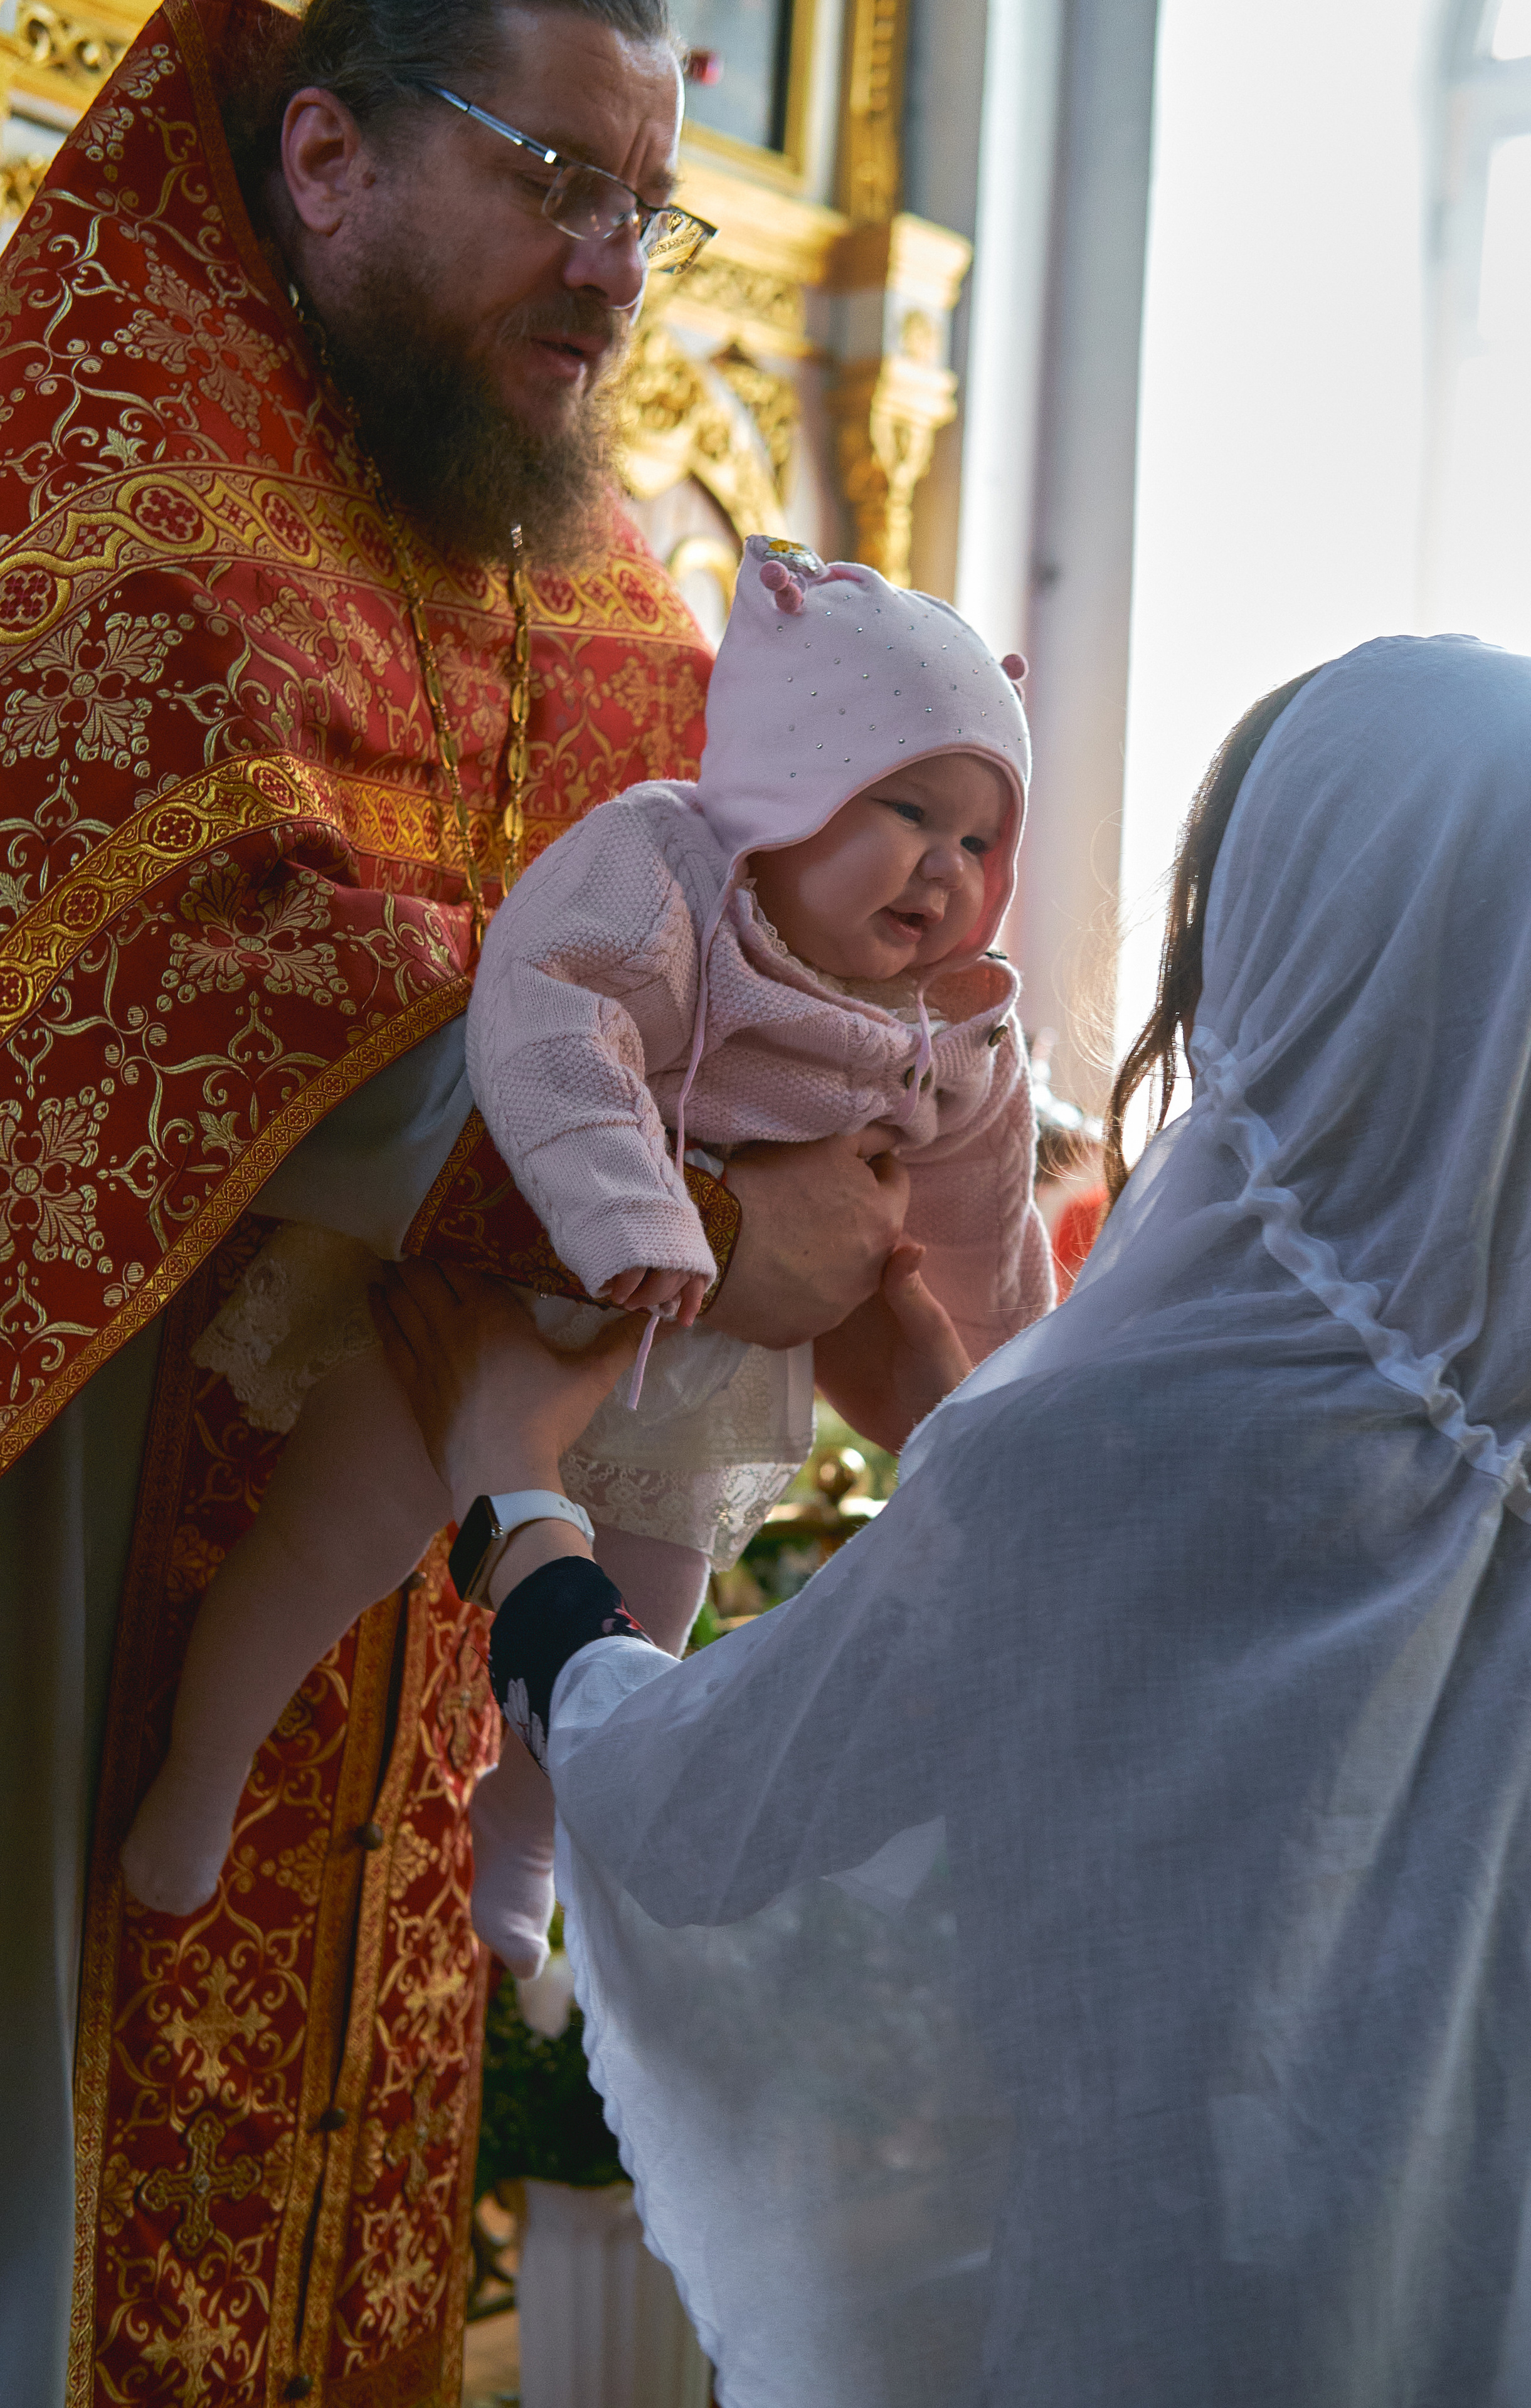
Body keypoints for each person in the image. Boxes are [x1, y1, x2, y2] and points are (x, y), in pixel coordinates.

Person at [0, 2, 911, 2399]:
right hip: (93, 1573)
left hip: (419, 1642)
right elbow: (223, 1001)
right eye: (560, 184)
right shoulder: (118, 494)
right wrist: (713, 1194)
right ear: (327, 152)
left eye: (654, 207)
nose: (622, 273)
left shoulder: (589, 578)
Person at [378, 633, 1531, 2406]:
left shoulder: (1145, 1435)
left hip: (1182, 2317)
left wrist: (518, 1497)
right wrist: (974, 1437)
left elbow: (709, 1814)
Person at [117, 536, 1049, 1972]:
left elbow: (979, 1213)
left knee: (643, 1619)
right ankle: (204, 1763)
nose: (944, 866)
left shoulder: (950, 1020)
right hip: (515, 1287)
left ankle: (529, 1826)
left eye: (979, 842)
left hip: (697, 1359)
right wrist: (643, 1219)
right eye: (905, 807)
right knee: (333, 1533)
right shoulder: (666, 871)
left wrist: (1007, 1384)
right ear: (785, 785)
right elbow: (552, 1011)